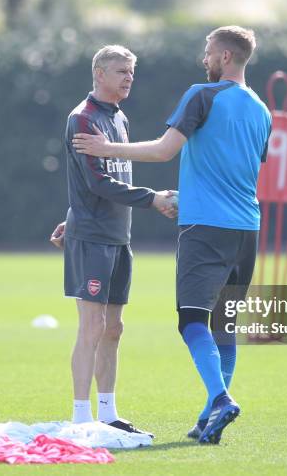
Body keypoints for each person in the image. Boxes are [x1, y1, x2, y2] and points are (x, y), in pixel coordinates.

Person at [72, 26, 272, 444]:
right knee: (225, 325)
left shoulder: (202, 94)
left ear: (225, 56)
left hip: (206, 228)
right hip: (249, 229)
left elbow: (165, 150)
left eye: (208, 52)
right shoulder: (262, 109)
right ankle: (207, 419)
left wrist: (107, 150)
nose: (205, 60)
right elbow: (240, 167)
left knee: (193, 321)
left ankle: (219, 399)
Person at [50, 45, 177, 437]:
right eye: (121, 71)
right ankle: (81, 417)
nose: (128, 78)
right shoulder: (83, 118)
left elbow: (92, 180)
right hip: (93, 240)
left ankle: (107, 413)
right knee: (92, 326)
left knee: (114, 327)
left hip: (118, 237)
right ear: (98, 73)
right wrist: (153, 199)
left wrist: (71, 215)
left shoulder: (118, 117)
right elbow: (97, 183)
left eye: (131, 72)